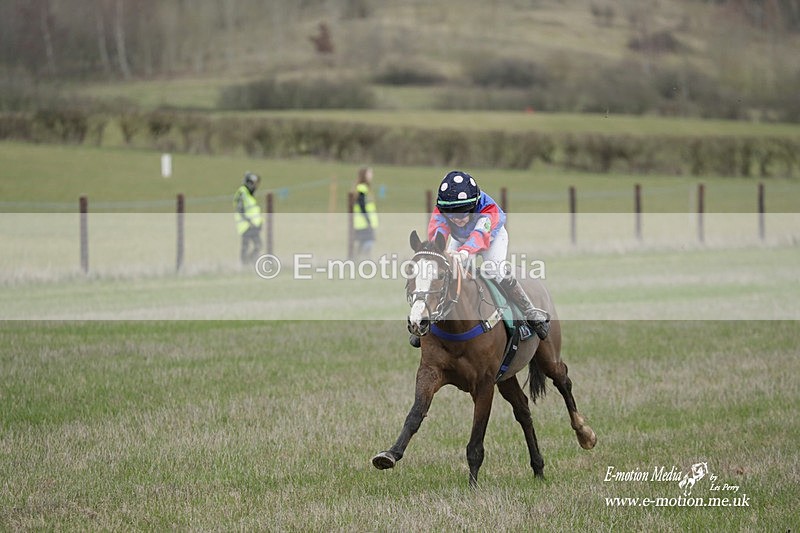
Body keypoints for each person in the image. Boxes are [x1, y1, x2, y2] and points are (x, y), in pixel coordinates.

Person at [409, 170, 550, 348]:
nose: (456, 219)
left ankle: (529, 313)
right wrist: (440, 253)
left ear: (474, 206)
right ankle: (428, 320)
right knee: (448, 273)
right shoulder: (442, 210)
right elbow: (438, 233)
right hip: (461, 240)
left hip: (492, 237)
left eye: (462, 213)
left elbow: (480, 235)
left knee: (494, 270)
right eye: (451, 214)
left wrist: (465, 252)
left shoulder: (487, 210)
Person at [234, 171, 264, 265]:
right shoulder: (243, 192)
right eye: (253, 184)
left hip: (252, 225)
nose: (255, 186)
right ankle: (246, 264)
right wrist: (249, 221)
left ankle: (248, 263)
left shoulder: (248, 194)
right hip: (246, 226)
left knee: (256, 245)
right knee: (248, 246)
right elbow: (240, 209)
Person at [352, 166, 378, 260]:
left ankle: (356, 260)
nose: (371, 175)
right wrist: (368, 221)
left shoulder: (365, 188)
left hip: (364, 222)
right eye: (369, 173)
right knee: (368, 242)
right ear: (364, 175)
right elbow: (362, 206)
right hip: (364, 222)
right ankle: (364, 260)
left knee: (363, 243)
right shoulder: (362, 188)